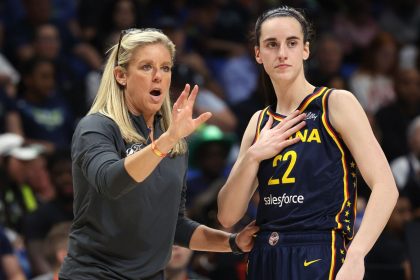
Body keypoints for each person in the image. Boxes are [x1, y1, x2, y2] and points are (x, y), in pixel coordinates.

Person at [58, 28, 274, 280]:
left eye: (165, 68)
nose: (158, 76)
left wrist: (233, 242)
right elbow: (111, 182)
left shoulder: (173, 141)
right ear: (121, 76)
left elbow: (173, 225)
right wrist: (167, 140)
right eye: (146, 67)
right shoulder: (97, 127)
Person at [217, 6, 399, 280]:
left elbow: (386, 186)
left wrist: (357, 256)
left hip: (319, 249)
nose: (281, 53)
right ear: (258, 54)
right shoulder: (259, 122)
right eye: (271, 44)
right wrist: (253, 155)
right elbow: (228, 216)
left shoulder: (335, 103)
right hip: (264, 253)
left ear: (305, 50)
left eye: (291, 43)